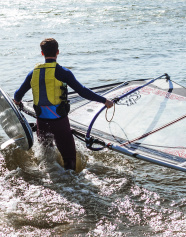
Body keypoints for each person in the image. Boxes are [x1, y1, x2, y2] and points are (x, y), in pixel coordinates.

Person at [14, 38, 113, 171]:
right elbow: (82, 91)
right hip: (60, 122)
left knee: (46, 157)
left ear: (42, 54)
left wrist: (18, 102)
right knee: (70, 159)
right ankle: (70, 184)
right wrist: (104, 101)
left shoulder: (33, 73)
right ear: (58, 52)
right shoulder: (63, 72)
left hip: (41, 122)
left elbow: (17, 95)